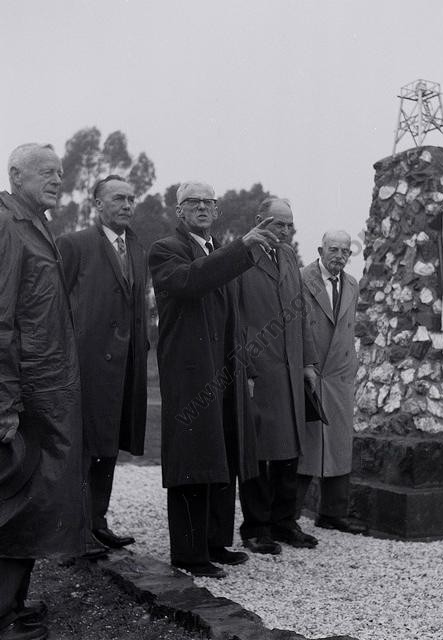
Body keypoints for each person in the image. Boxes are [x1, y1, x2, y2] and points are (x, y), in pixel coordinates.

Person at [0, 144, 85, 640]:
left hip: (44, 396)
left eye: (60, 173)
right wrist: (0, 407)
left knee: (32, 504)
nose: (58, 180)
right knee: (3, 504)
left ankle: (9, 607)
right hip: (17, 399)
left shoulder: (36, 225)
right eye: (46, 172)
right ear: (15, 175)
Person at [149, 181, 277, 579]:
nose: (203, 207)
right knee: (193, 457)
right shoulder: (166, 250)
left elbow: (233, 315)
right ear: (180, 211)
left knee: (223, 453)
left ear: (217, 211)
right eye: (194, 202)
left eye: (209, 202)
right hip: (190, 373)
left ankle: (214, 542)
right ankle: (189, 553)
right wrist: (241, 248)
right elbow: (191, 281)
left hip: (224, 370)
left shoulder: (219, 252)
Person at [56, 175, 148, 550]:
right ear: (98, 204)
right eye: (118, 199)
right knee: (82, 449)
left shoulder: (137, 248)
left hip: (126, 367)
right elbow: (55, 305)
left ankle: (98, 521)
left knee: (108, 446)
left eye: (130, 199)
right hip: (86, 366)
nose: (126, 205)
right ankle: (74, 532)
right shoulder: (74, 244)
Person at [237, 197, 319, 554]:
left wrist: (309, 362)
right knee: (258, 452)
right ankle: (256, 527)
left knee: (289, 451)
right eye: (277, 224)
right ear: (259, 222)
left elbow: (301, 314)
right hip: (261, 371)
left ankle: (285, 521)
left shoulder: (288, 257)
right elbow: (235, 318)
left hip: (291, 370)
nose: (284, 232)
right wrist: (246, 369)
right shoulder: (240, 258)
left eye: (289, 225)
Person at [295, 231, 367, 534]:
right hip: (308, 372)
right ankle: (288, 516)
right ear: (320, 249)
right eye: (333, 249)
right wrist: (303, 364)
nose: (339, 255)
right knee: (304, 447)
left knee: (339, 444)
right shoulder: (301, 278)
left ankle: (333, 513)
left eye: (345, 251)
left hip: (339, 376)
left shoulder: (352, 284)